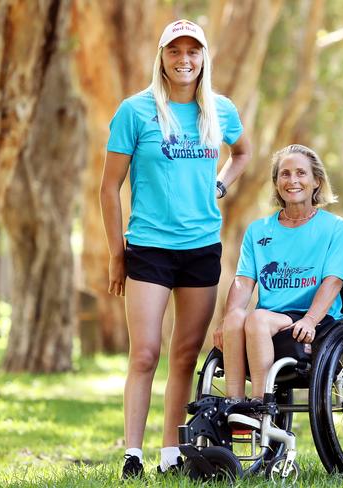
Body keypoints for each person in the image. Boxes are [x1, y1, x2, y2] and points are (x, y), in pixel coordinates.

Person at [100, 19, 251, 479]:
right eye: (175, 51)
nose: (184, 60)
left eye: (193, 51)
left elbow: (242, 152)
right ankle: (132, 454)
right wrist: (115, 252)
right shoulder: (135, 111)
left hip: (201, 248)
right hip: (148, 248)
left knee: (185, 354)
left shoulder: (219, 110)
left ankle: (170, 454)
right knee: (145, 353)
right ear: (162, 57)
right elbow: (109, 188)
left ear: (204, 58)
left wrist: (219, 186)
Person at [212, 144, 343, 423]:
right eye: (284, 174)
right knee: (240, 318)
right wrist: (228, 321)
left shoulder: (334, 228)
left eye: (301, 173)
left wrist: (310, 320)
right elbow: (242, 282)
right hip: (273, 317)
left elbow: (334, 280)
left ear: (316, 182)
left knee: (258, 319)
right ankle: (235, 408)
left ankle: (261, 407)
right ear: (276, 183)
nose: (293, 180)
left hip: (315, 320)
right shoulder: (258, 230)